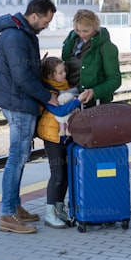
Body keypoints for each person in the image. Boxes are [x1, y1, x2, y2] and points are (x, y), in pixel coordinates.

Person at [0, 0, 60, 234]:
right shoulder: (16, 36)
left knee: (20, 157)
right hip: (18, 103)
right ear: (34, 16)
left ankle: (14, 206)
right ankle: (7, 214)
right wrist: (46, 95)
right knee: (17, 157)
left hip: (17, 101)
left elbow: (23, 70)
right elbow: (21, 78)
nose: (46, 26)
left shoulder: (23, 33)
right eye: (46, 21)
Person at [36, 56, 80, 228]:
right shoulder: (48, 92)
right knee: (57, 175)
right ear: (50, 74)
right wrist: (77, 100)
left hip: (66, 136)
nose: (64, 75)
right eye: (60, 72)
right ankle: (49, 213)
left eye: (64, 71)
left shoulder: (66, 87)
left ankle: (59, 209)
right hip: (52, 137)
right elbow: (60, 111)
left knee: (67, 175)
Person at [61, 8, 122, 108]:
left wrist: (95, 92)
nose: (81, 35)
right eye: (78, 30)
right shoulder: (72, 40)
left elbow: (115, 80)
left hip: (95, 104)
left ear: (95, 27)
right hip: (72, 101)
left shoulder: (106, 47)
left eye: (85, 31)